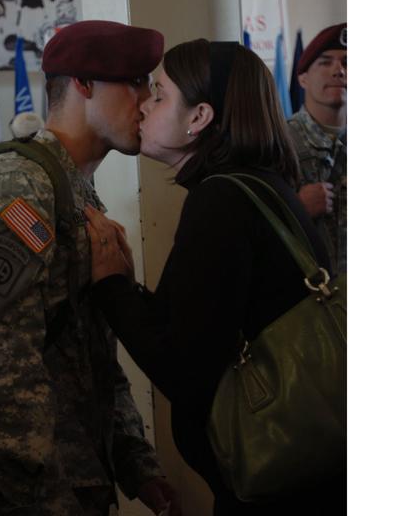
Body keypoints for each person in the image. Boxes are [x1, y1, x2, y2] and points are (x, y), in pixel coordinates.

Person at [0, 20, 179, 516]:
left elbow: (89, 349)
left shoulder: (72, 191)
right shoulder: (18, 189)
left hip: (77, 478)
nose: (147, 100)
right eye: (134, 82)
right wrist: (46, 496)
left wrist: (134, 460)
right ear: (83, 85)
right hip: (21, 494)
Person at [83, 39, 345, 515]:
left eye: (159, 95)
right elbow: (202, 327)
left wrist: (110, 286)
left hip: (279, 491)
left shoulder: (220, 201)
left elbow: (184, 369)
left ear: (198, 118)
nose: (144, 105)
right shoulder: (258, 184)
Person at [290, 22, 347, 275]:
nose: (339, 71)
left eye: (347, 63)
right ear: (302, 78)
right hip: (308, 304)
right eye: (325, 63)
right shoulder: (279, 142)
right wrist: (295, 208)